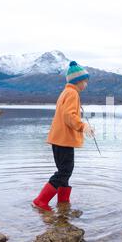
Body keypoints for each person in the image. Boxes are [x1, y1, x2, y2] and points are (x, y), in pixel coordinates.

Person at [32, 61, 94, 212]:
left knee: (65, 170)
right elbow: (68, 116)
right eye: (85, 81)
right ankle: (41, 201)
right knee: (65, 171)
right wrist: (83, 126)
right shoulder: (72, 93)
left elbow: (67, 114)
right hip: (64, 140)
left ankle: (63, 202)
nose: (86, 84)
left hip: (58, 139)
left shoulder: (66, 92)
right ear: (78, 81)